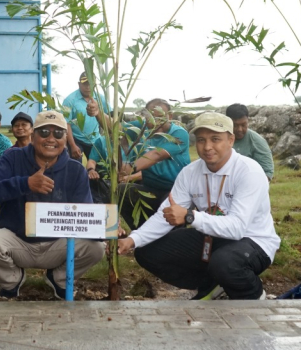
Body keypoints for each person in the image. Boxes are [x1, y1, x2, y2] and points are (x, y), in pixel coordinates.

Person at [118, 112, 279, 300]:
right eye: (201, 140)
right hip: (212, 236)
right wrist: (133, 239)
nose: (208, 147)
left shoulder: (249, 171)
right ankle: (212, 286)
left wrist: (190, 216)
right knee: (146, 251)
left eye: (215, 139)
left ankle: (255, 297)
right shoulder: (190, 172)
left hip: (252, 240)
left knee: (225, 262)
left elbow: (237, 228)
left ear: (231, 140)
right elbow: (165, 214)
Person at [0, 111, 105, 298]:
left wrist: (104, 228)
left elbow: (85, 213)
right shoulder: (13, 158)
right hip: (18, 241)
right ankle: (12, 279)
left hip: (58, 245)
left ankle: (59, 278)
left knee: (96, 249)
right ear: (33, 136)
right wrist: (25, 184)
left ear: (65, 139)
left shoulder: (76, 170)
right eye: (44, 132)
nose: (51, 138)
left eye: (58, 133)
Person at [118, 99, 191, 230]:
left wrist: (131, 168)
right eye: (151, 118)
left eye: (160, 118)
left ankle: (168, 238)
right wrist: (97, 113)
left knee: (168, 209)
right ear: (145, 117)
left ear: (169, 116)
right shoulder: (142, 128)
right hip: (150, 188)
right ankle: (140, 232)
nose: (156, 123)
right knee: (121, 191)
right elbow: (117, 129)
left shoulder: (179, 134)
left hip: (174, 190)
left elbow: (157, 155)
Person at [61, 71, 110, 158]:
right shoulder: (69, 100)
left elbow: (111, 115)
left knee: (101, 167)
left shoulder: (100, 98)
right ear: (79, 84)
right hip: (76, 139)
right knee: (76, 166)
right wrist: (72, 145)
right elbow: (66, 124)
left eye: (90, 84)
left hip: (95, 139)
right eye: (85, 84)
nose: (87, 87)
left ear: (95, 85)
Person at [225, 103, 275, 180]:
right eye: (235, 125)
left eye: (243, 125)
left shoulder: (257, 141)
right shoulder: (219, 139)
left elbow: (267, 173)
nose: (239, 129)